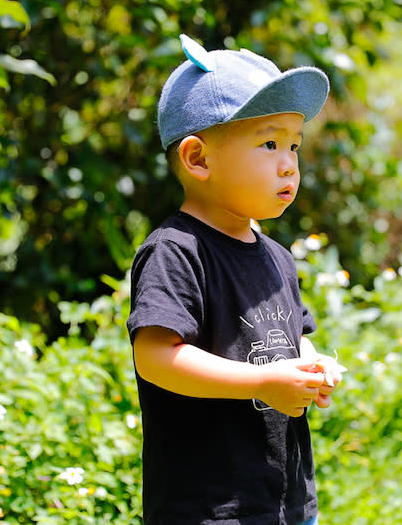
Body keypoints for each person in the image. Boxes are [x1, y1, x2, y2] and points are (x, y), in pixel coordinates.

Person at [126, 34, 343, 525]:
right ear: (198, 159)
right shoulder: (176, 251)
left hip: (284, 500)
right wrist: (265, 381)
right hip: (208, 507)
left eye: (293, 145)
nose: (289, 162)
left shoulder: (277, 258)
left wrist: (309, 368)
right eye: (268, 143)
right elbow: (157, 357)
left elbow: (293, 341)